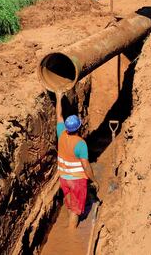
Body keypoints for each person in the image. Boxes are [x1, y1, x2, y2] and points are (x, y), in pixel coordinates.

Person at [55, 92, 98, 228]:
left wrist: (58, 97)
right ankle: (71, 233)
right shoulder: (80, 143)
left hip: (63, 178)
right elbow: (85, 165)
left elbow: (59, 115)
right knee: (76, 210)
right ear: (79, 127)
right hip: (77, 180)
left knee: (69, 203)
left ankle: (69, 226)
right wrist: (93, 180)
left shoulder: (61, 133)